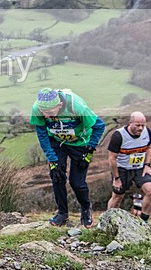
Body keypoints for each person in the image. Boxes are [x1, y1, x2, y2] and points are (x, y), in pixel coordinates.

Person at [30, 87, 105, 228]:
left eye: (49, 113)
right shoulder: (37, 108)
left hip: (79, 143)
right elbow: (42, 134)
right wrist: (52, 159)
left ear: (59, 105)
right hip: (57, 142)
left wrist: (89, 151)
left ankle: (86, 209)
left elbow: (99, 126)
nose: (45, 116)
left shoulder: (77, 107)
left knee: (77, 182)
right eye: (42, 112)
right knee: (57, 176)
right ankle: (62, 214)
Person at [106, 111, 151, 223]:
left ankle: (143, 222)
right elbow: (112, 158)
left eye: (143, 125)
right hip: (122, 169)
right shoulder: (118, 136)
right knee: (117, 197)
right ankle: (107, 221)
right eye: (137, 125)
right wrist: (116, 178)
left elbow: (149, 148)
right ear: (130, 123)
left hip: (139, 168)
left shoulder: (147, 132)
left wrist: (147, 165)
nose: (140, 128)